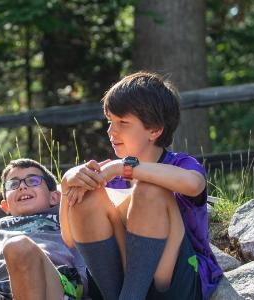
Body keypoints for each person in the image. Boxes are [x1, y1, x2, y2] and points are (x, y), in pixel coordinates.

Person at [60, 72, 223, 300]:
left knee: (150, 189)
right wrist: (68, 181)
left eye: (123, 123)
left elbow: (194, 185)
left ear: (155, 130)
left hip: (173, 282)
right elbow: (69, 239)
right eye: (110, 122)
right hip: (114, 286)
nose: (111, 131)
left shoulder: (180, 164)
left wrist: (122, 167)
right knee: (90, 194)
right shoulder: (105, 174)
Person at [0, 158, 90, 300]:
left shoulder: (65, 219)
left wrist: (62, 197)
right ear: (4, 205)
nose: (22, 187)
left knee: (18, 246)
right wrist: (6, 210)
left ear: (54, 197)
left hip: (56, 284)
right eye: (13, 184)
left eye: (33, 181)